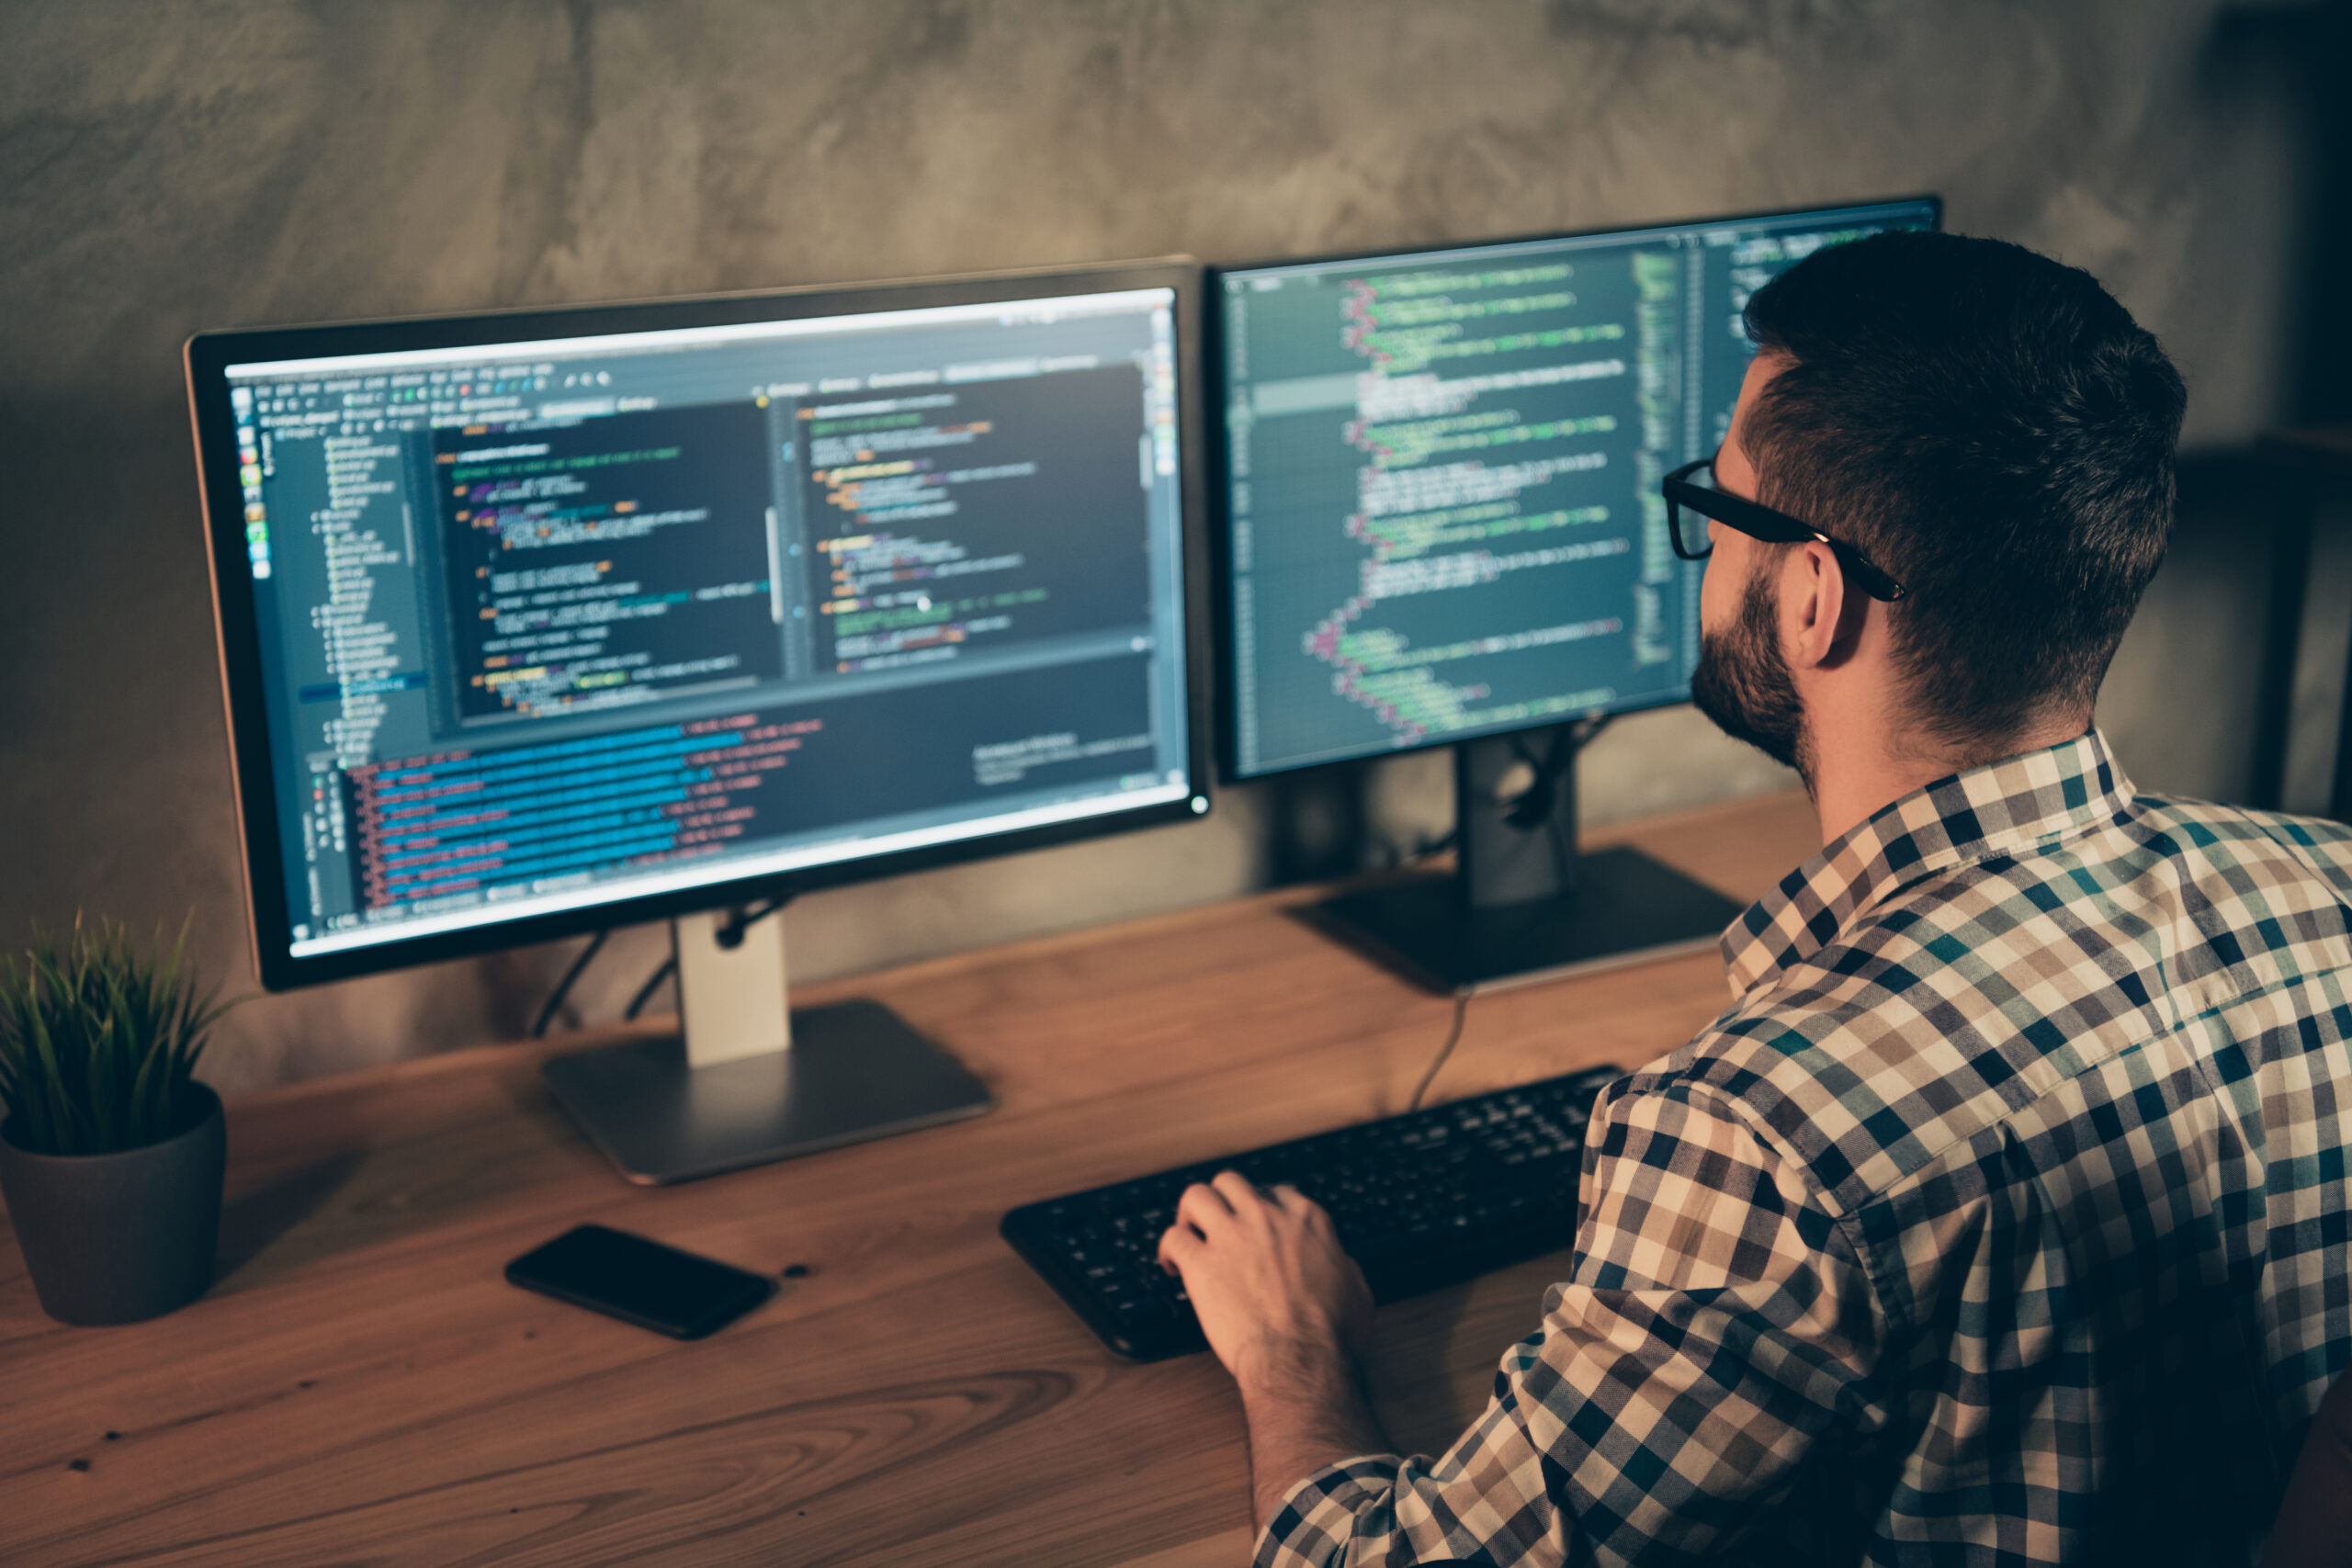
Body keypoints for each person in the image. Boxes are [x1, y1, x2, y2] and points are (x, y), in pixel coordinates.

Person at [1157, 230, 2352, 1565]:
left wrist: (1292, 1347)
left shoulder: (1766, 1136)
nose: (1709, 549)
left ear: (1814, 599)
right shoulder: (2330, 893)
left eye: (1719, 510)